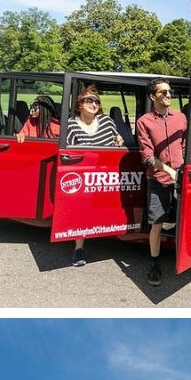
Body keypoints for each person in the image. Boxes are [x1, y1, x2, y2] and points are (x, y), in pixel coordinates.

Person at [135, 78, 187, 287]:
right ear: (152, 96)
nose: (168, 95)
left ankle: (185, 256)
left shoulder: (181, 118)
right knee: (157, 221)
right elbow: (147, 156)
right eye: (163, 92)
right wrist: (169, 171)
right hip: (158, 179)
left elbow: (184, 146)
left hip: (182, 178)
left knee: (184, 218)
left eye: (169, 91)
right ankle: (155, 263)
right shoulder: (144, 122)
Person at [65, 84, 125, 267]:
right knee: (80, 209)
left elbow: (117, 141)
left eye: (96, 101)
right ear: (79, 104)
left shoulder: (107, 122)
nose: (94, 104)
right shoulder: (71, 124)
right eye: (89, 100)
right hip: (84, 175)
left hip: (106, 173)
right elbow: (67, 151)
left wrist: (119, 140)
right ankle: (78, 248)